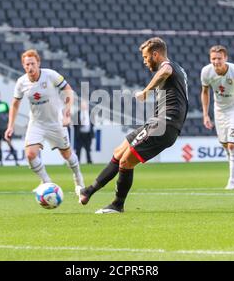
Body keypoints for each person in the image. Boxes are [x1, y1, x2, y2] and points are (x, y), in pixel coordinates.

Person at [79, 37, 189, 213]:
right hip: (156, 123)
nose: (145, 62)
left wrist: (146, 92)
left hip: (164, 125)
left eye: (146, 57)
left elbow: (165, 71)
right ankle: (89, 191)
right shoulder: (179, 68)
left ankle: (117, 205)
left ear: (156, 54)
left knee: (126, 162)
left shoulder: (167, 66)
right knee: (119, 152)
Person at [5, 49, 85, 194]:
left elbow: (68, 90)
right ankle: (47, 182)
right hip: (37, 123)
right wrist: (10, 126)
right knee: (30, 154)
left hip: (56, 122)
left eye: (33, 64)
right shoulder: (21, 82)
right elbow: (15, 104)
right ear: (23, 66)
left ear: (38, 63)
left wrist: (67, 111)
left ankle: (78, 178)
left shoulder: (50, 75)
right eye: (27, 64)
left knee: (66, 155)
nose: (30, 67)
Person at [201, 45, 234, 190]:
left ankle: (232, 181)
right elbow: (205, 92)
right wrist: (205, 114)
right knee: (224, 145)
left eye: (219, 58)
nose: (216, 61)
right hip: (219, 110)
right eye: (213, 58)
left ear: (225, 58)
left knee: (232, 144)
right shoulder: (206, 71)